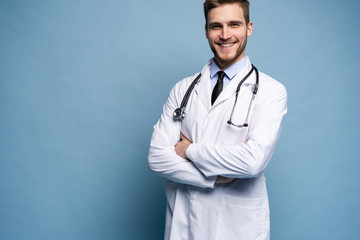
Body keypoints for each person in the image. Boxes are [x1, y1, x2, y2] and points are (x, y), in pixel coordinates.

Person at [148, 0, 287, 239]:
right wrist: (215, 178)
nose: (225, 35)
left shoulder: (270, 91)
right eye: (216, 26)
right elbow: (157, 158)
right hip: (185, 223)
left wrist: (189, 150)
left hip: (237, 228)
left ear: (249, 28)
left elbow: (253, 161)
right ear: (206, 31)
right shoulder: (183, 89)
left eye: (234, 24)